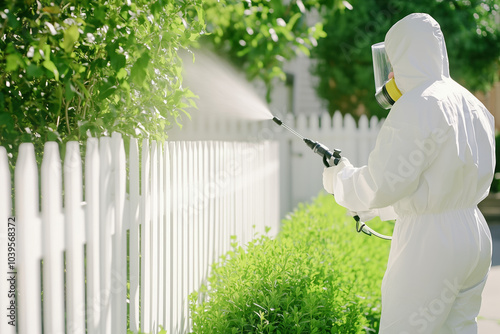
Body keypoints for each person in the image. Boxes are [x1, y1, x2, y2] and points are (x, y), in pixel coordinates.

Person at [322, 13, 496, 334]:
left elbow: (382, 184)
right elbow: (439, 183)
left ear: (405, 55)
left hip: (431, 245)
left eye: (394, 60)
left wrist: (339, 179)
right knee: (458, 328)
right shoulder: (471, 103)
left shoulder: (418, 104)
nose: (390, 73)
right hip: (475, 234)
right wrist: (380, 209)